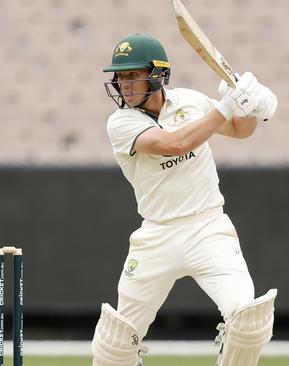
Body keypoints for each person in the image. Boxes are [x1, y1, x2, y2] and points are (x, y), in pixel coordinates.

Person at [91, 34, 278, 366]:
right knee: (117, 341)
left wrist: (249, 106)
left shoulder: (190, 101)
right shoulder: (121, 123)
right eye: (120, 77)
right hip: (157, 237)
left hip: (208, 228)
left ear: (157, 75)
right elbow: (175, 144)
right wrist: (227, 104)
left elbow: (238, 129)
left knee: (249, 321)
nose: (125, 84)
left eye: (133, 75)